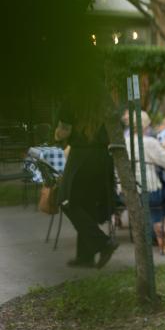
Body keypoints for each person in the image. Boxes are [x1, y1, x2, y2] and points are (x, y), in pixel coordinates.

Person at [54, 93, 118, 269]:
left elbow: (64, 131)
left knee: (66, 200)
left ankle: (102, 243)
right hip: (103, 155)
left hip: (82, 154)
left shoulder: (73, 98)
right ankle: (85, 256)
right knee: (86, 204)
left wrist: (57, 135)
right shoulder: (104, 97)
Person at [125, 111, 165, 231]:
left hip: (126, 191)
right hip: (149, 190)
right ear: (145, 126)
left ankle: (152, 230)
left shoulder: (124, 142)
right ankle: (162, 233)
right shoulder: (149, 142)